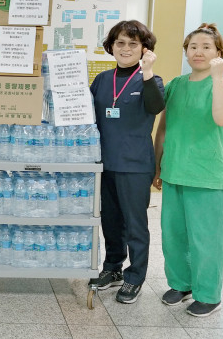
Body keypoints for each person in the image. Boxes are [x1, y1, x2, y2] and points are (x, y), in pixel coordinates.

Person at [153, 23, 223, 317]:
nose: (198, 52)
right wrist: (158, 164)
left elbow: (221, 117)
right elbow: (163, 128)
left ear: (218, 53)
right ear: (186, 52)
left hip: (207, 175)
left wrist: (217, 77)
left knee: (206, 239)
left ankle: (208, 294)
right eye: (193, 47)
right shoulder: (175, 85)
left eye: (206, 47)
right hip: (174, 170)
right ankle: (181, 283)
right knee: (173, 235)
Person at [88, 20, 165, 304]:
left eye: (134, 43)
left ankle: (135, 277)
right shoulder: (102, 79)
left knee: (135, 224)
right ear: (111, 46)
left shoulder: (151, 80)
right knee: (110, 220)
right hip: (104, 162)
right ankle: (113, 267)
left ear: (145, 48)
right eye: (120, 42)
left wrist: (147, 72)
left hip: (134, 164)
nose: (126, 48)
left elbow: (156, 107)